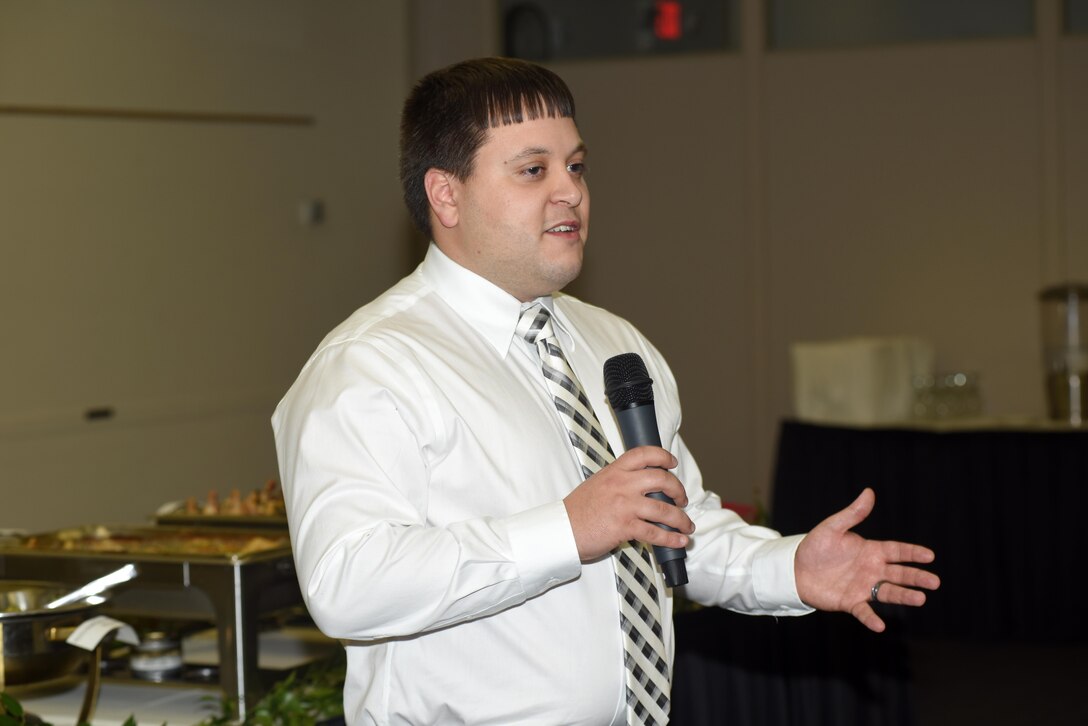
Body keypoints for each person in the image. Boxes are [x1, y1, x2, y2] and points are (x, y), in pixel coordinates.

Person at [272, 57, 940, 725]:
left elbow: (679, 530)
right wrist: (567, 529)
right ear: (446, 195)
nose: (569, 192)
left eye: (577, 166)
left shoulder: (612, 344)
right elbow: (348, 582)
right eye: (534, 170)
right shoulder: (371, 366)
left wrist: (788, 568)